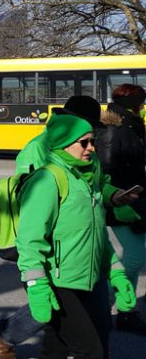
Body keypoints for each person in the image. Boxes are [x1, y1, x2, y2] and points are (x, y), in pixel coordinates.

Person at [0, 95, 140, 358]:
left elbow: (93, 188)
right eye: (86, 137)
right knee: (74, 335)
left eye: (93, 135)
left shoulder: (85, 150)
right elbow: (32, 206)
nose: (92, 145)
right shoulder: (40, 154)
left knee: (67, 339)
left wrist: (113, 195)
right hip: (56, 263)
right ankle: (6, 333)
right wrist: (36, 280)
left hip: (86, 258)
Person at [97, 83, 146, 333]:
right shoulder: (113, 129)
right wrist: (117, 194)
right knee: (136, 255)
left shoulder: (132, 126)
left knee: (135, 256)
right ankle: (107, 301)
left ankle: (126, 310)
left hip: (135, 196)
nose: (143, 106)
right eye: (141, 102)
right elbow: (106, 169)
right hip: (121, 200)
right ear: (132, 103)